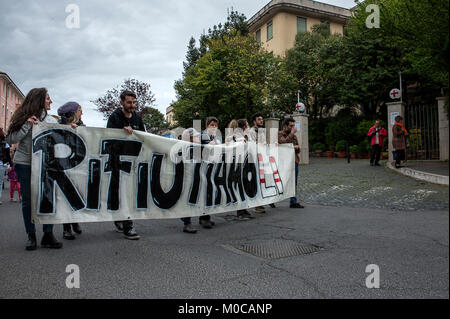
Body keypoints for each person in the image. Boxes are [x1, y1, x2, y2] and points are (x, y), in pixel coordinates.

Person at [6, 88, 63, 250]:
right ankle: (31, 235)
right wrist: (26, 126)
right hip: (25, 163)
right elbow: (11, 139)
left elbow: (60, 138)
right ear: (38, 100)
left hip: (46, 164)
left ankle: (48, 234)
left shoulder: (51, 120)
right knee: (28, 200)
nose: (50, 101)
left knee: (48, 198)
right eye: (47, 99)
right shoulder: (21, 118)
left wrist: (71, 129)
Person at [106, 90, 145, 240]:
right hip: (116, 162)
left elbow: (143, 135)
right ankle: (121, 219)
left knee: (128, 193)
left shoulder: (137, 118)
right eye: (129, 102)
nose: (132, 105)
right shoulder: (115, 117)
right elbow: (108, 137)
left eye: (134, 102)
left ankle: (127, 223)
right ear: (122, 102)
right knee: (118, 191)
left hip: (132, 162)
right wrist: (120, 133)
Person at [57, 102, 84, 240]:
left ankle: (75, 221)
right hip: (63, 166)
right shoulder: (58, 125)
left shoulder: (82, 125)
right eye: (80, 110)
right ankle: (66, 227)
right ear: (73, 113)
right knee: (65, 196)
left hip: (78, 165)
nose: (81, 113)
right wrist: (67, 129)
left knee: (76, 193)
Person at [248, 113, 276, 213]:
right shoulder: (251, 131)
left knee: (263, 181)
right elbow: (251, 145)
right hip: (255, 161)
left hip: (262, 160)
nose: (261, 121)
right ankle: (257, 205)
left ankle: (263, 201)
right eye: (259, 119)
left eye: (262, 119)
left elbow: (263, 144)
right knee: (256, 182)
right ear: (254, 121)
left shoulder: (262, 131)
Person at [199, 117, 222, 229]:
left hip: (211, 167)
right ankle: (204, 218)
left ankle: (205, 217)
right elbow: (207, 148)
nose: (214, 127)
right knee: (204, 193)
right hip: (203, 167)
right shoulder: (203, 136)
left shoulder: (214, 137)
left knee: (209, 192)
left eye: (215, 125)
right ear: (207, 126)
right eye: (211, 125)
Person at [278, 118, 305, 209]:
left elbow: (298, 149)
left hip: (294, 161)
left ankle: (293, 202)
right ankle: (272, 199)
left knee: (294, 183)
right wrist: (293, 144)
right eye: (291, 126)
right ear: (285, 126)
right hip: (285, 162)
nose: (293, 127)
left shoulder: (294, 136)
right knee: (282, 182)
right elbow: (283, 143)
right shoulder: (280, 134)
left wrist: (297, 148)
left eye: (293, 125)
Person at [232, 119, 254, 220]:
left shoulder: (246, 137)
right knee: (240, 187)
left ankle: (244, 208)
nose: (249, 127)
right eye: (248, 125)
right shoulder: (237, 137)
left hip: (246, 165)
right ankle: (240, 211)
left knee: (246, 186)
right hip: (239, 166)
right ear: (244, 127)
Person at [180, 128, 200, 234]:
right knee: (187, 198)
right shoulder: (183, 148)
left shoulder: (196, 148)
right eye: (196, 136)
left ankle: (186, 218)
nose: (198, 138)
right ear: (190, 138)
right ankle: (187, 223)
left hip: (193, 177)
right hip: (185, 178)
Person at [0, 127, 12, 205]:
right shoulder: (5, 143)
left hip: (2, 164)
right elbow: (8, 156)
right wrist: (10, 165)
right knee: (0, 182)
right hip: (2, 164)